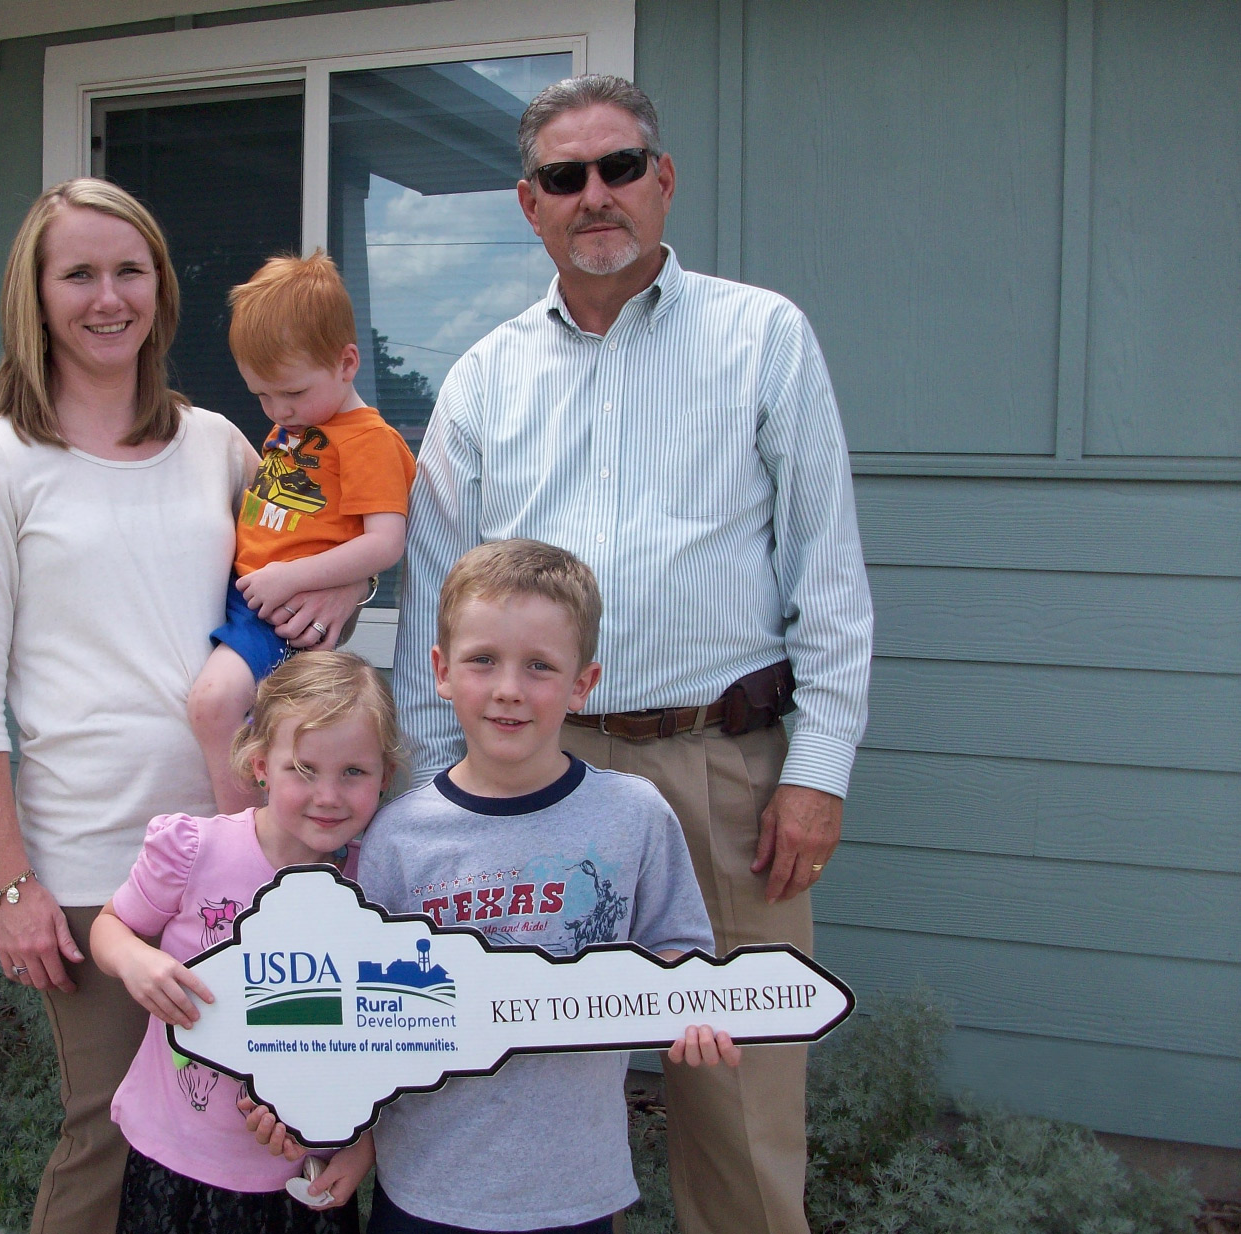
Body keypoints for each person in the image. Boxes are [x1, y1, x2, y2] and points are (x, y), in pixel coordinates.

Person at [392, 77, 874, 1234]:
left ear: (663, 181)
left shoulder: (760, 337)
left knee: (740, 1101)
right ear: (529, 204)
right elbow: (427, 620)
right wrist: (421, 804)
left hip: (720, 773)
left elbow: (829, 576)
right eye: (565, 177)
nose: (594, 195)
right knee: (497, 1076)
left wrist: (816, 770)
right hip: (517, 782)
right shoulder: (481, 382)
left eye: (619, 167)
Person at [0, 179, 365, 1234]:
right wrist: (9, 884)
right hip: (94, 872)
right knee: (112, 1130)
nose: (106, 296)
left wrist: (353, 580)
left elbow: (298, 561)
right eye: (78, 273)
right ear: (36, 295)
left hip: (254, 843)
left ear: (160, 289)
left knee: (272, 1115)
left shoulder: (216, 444)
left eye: (130, 270)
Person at [253, 540, 742, 1233]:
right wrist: (330, 1117)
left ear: (582, 683)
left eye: (539, 666)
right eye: (483, 660)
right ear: (441, 671)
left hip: (574, 1186)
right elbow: (358, 1010)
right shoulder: (398, 837)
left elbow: (677, 950)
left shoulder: (633, 816)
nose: (509, 688)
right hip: (426, 1184)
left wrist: (685, 1006)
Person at [90, 651, 398, 1234]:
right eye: (303, 770)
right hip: (177, 1161)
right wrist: (136, 960)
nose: (328, 795)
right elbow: (111, 926)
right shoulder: (193, 851)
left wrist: (363, 1145)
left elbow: (387, 1034)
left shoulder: (375, 884)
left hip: (303, 1173)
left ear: (385, 774)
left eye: (354, 772)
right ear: (260, 765)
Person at [188, 252, 416, 814]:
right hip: (249, 596)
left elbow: (385, 543)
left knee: (215, 704)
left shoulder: (367, 440)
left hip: (281, 610)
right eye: (262, 395)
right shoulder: (302, 423)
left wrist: (292, 575)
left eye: (291, 392)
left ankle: (242, 841)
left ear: (346, 362)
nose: (277, 409)